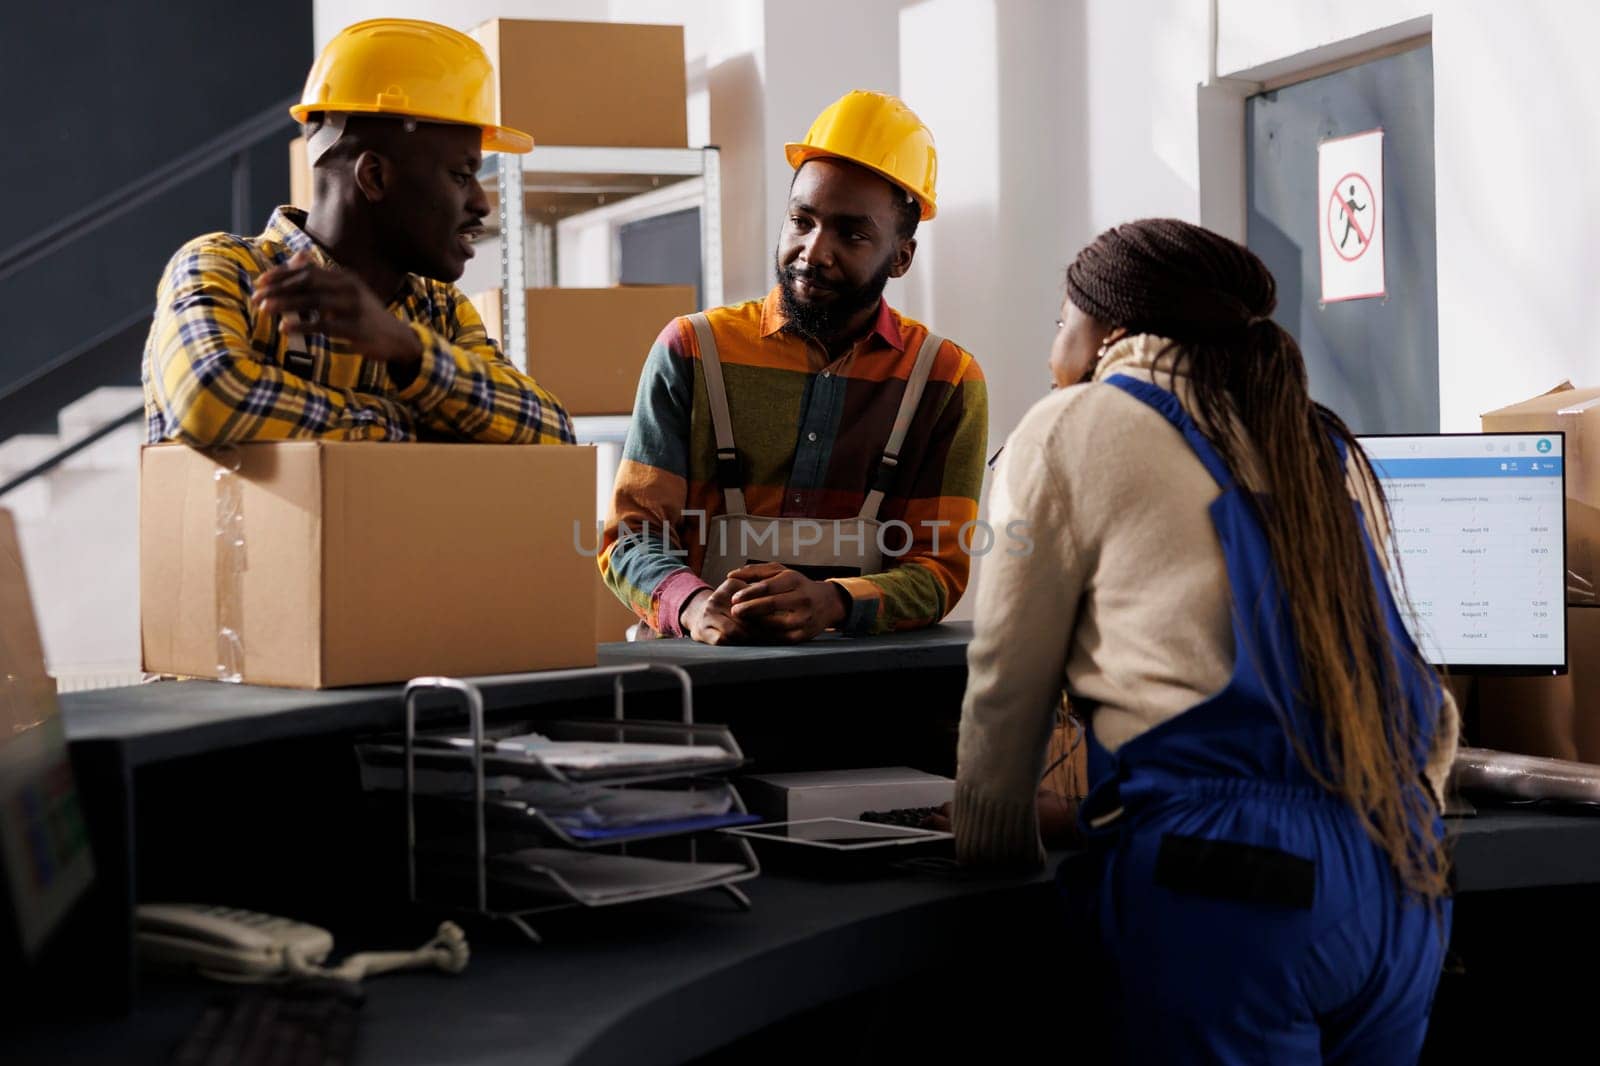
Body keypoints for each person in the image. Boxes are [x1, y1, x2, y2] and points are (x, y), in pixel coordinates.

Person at [951, 219, 1457, 1062]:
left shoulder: (1072, 424)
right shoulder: (1314, 438)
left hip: (1231, 890)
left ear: (1109, 331)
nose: (1052, 350)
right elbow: (1427, 706)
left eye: (1057, 321)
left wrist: (987, 839)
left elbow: (1009, 678)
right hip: (1403, 876)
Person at [600, 90, 987, 645]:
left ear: (900, 257)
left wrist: (833, 600)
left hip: (862, 689)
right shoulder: (691, 349)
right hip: (701, 676)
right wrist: (690, 604)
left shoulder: (946, 380)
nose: (813, 251)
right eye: (801, 220)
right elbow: (630, 538)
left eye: (852, 234)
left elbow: (938, 573)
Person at [143, 18, 574, 447]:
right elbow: (209, 399)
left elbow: (552, 434)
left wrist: (409, 351)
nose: (482, 202)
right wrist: (402, 429)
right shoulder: (224, 271)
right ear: (374, 176)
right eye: (462, 175)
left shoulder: (440, 312)